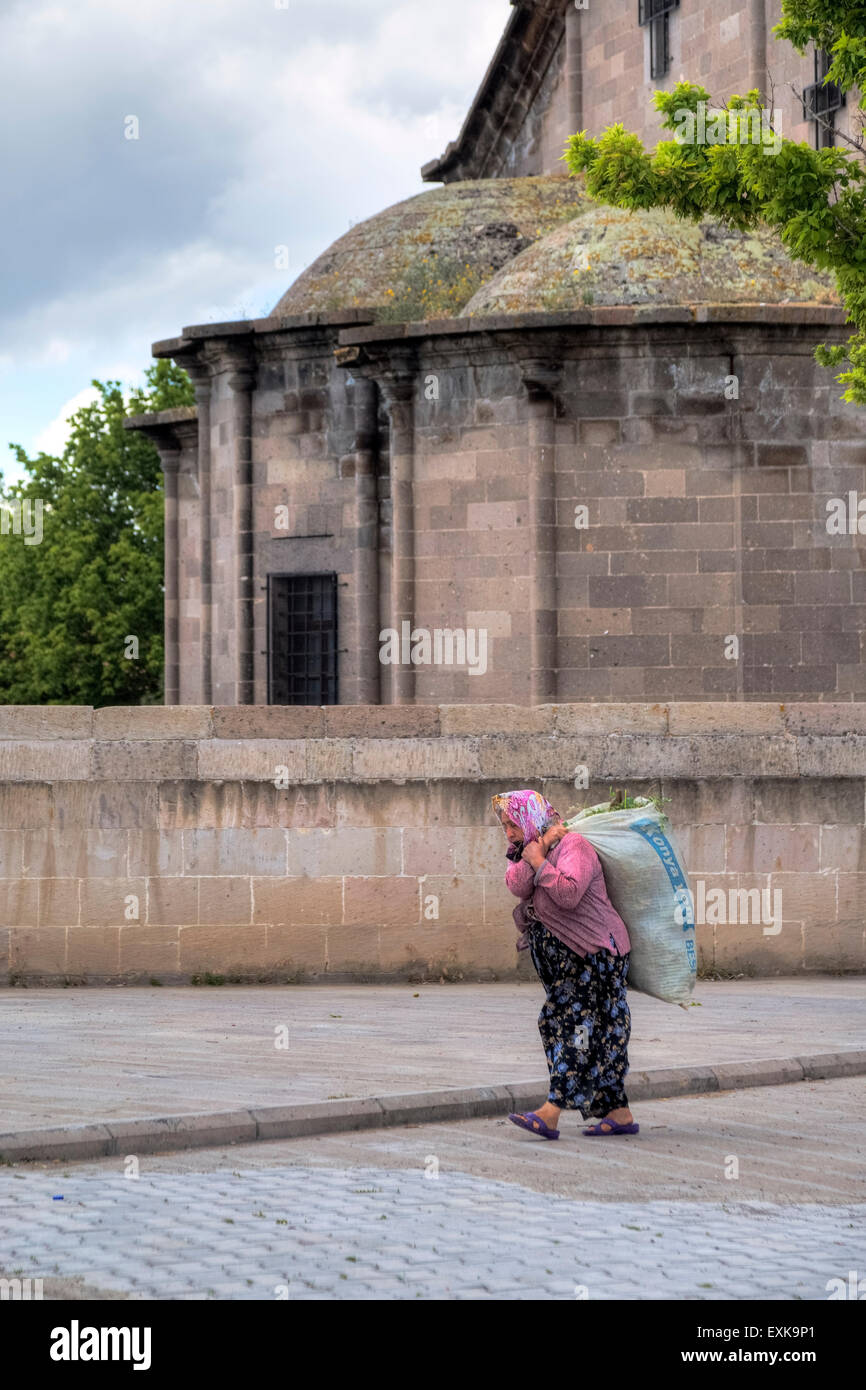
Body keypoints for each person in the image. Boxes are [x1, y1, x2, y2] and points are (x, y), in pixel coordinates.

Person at [492, 788, 638, 1140]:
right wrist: (535, 851)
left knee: (572, 1028)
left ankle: (551, 1111)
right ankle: (617, 1112)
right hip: (571, 964)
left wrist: (541, 860)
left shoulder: (575, 847)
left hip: (597, 955)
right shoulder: (532, 849)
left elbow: (569, 894)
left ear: (531, 818)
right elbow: (517, 885)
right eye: (505, 826)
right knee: (597, 1033)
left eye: (513, 824)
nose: (509, 833)